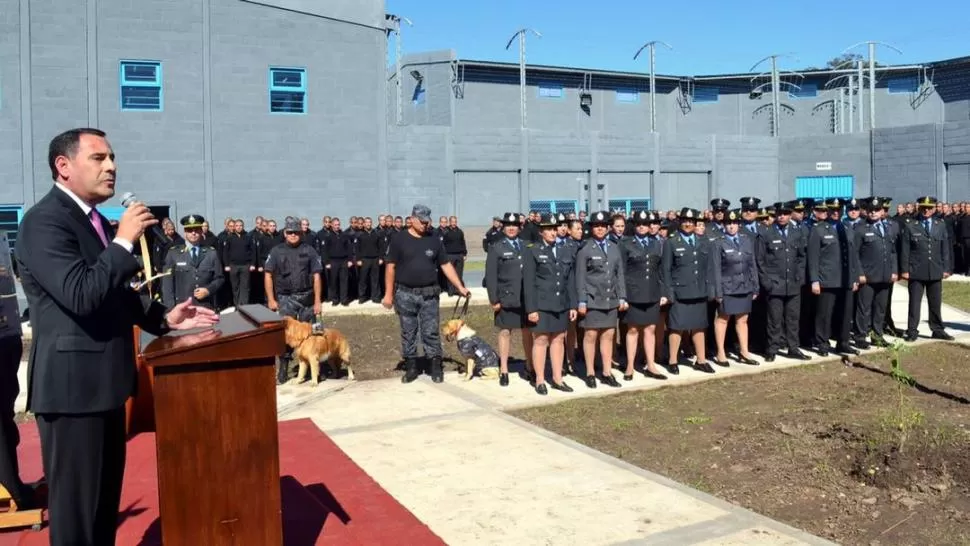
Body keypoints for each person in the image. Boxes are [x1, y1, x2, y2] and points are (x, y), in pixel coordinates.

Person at [14, 128, 219, 546]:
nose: (112, 167)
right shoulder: (44, 222)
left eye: (113, 158)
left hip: (105, 388)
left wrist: (166, 318)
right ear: (64, 166)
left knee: (103, 509)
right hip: (72, 394)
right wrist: (124, 241)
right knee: (77, 520)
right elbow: (81, 294)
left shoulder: (92, 222)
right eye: (99, 158)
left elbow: (115, 295)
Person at [383, 204, 470, 384]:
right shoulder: (399, 239)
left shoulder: (434, 239)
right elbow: (390, 267)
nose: (424, 225)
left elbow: (445, 265)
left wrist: (460, 286)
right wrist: (388, 295)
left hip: (429, 295)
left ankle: (435, 366)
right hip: (405, 294)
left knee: (431, 332)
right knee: (409, 332)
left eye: (427, 221)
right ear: (412, 219)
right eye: (421, 221)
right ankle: (412, 366)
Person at [0, 231, 43, 511]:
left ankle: (12, 480)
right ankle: (12, 489)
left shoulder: (3, 241)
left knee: (6, 418)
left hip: (6, 335)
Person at [265, 219, 325, 383]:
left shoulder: (310, 250)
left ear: (301, 233)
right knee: (285, 336)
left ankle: (317, 368)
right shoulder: (276, 251)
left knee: (314, 333)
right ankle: (283, 370)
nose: (293, 235)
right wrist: (271, 299)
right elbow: (268, 274)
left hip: (307, 298)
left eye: (296, 232)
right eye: (290, 232)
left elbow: (317, 276)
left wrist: (318, 301)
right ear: (284, 233)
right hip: (286, 299)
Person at [522, 213, 576, 395]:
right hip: (542, 304)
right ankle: (539, 379)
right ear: (541, 231)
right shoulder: (532, 250)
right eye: (548, 229)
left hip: (561, 303)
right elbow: (528, 283)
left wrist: (573, 305)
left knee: (558, 339)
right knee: (541, 340)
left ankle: (557, 378)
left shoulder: (564, 250)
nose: (553, 232)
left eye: (555, 229)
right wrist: (531, 309)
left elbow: (570, 280)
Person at [575, 211, 626, 389]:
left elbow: (619, 274)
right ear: (592, 228)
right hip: (592, 299)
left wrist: (622, 297)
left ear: (607, 228)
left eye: (603, 226)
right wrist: (581, 301)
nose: (600, 229)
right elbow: (580, 276)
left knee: (609, 335)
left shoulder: (613, 247)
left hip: (610, 299)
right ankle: (589, 372)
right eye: (596, 226)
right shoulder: (585, 248)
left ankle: (606, 372)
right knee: (591, 335)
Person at [661, 208, 715, 374]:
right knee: (677, 327)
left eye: (691, 221)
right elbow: (666, 270)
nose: (688, 224)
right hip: (680, 292)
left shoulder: (703, 241)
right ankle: (673, 361)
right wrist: (669, 292)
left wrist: (711, 289)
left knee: (699, 326)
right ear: (680, 222)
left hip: (699, 291)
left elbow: (709, 268)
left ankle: (701, 360)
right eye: (685, 221)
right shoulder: (672, 242)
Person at [757, 202, 811, 362]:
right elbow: (760, 260)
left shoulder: (796, 232)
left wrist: (800, 276)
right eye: (779, 214)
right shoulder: (767, 233)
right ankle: (772, 349)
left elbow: (802, 256)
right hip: (775, 284)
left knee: (793, 318)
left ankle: (793, 348)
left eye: (785, 214)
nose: (782, 217)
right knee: (774, 319)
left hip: (793, 283)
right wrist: (766, 282)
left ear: (790, 215)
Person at [617, 211, 668, 381]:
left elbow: (661, 270)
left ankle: (651, 364)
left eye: (645, 224)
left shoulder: (657, 243)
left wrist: (663, 292)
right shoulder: (626, 244)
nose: (642, 227)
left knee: (650, 329)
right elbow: (621, 271)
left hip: (652, 292)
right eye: (638, 224)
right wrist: (622, 296)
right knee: (632, 330)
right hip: (633, 293)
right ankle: (630, 365)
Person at [485, 212, 534, 386]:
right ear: (504, 227)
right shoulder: (496, 247)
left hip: (525, 298)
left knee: (528, 333)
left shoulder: (527, 245)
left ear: (520, 227)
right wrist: (494, 299)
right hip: (506, 298)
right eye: (508, 226)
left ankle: (530, 366)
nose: (512, 228)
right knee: (505, 332)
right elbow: (491, 276)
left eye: (515, 226)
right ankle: (504, 369)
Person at [900, 196, 954, 341]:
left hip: (935, 269)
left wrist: (946, 268)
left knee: (935, 302)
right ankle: (912, 330)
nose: (926, 210)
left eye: (930, 208)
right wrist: (904, 270)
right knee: (914, 303)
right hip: (916, 270)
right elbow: (905, 249)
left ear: (935, 208)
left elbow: (945, 248)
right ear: (919, 208)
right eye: (924, 208)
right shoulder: (910, 224)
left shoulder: (940, 224)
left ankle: (937, 329)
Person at [711, 209, 760, 366]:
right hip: (727, 287)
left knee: (743, 319)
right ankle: (721, 352)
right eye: (728, 223)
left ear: (739, 225)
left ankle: (744, 352)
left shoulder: (746, 241)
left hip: (744, 286)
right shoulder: (718, 243)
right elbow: (716, 269)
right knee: (723, 319)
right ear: (724, 225)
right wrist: (718, 291)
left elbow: (752, 264)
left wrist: (755, 286)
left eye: (734, 223)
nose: (731, 226)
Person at [854, 197, 898, 347]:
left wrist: (894, 270)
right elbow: (855, 254)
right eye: (871, 211)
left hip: (884, 275)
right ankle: (860, 337)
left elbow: (892, 252)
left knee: (880, 308)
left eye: (877, 210)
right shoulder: (860, 228)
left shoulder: (887, 227)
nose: (873, 213)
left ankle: (877, 336)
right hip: (868, 276)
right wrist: (859, 273)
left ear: (882, 211)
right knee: (864, 308)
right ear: (867, 212)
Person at [161, 214, 224, 310]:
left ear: (201, 231)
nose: (193, 233)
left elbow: (219, 278)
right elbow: (167, 284)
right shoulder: (173, 253)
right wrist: (170, 309)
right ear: (185, 232)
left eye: (196, 230)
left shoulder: (211, 253)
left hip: (205, 306)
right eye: (190, 230)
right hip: (182, 307)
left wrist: (208, 290)